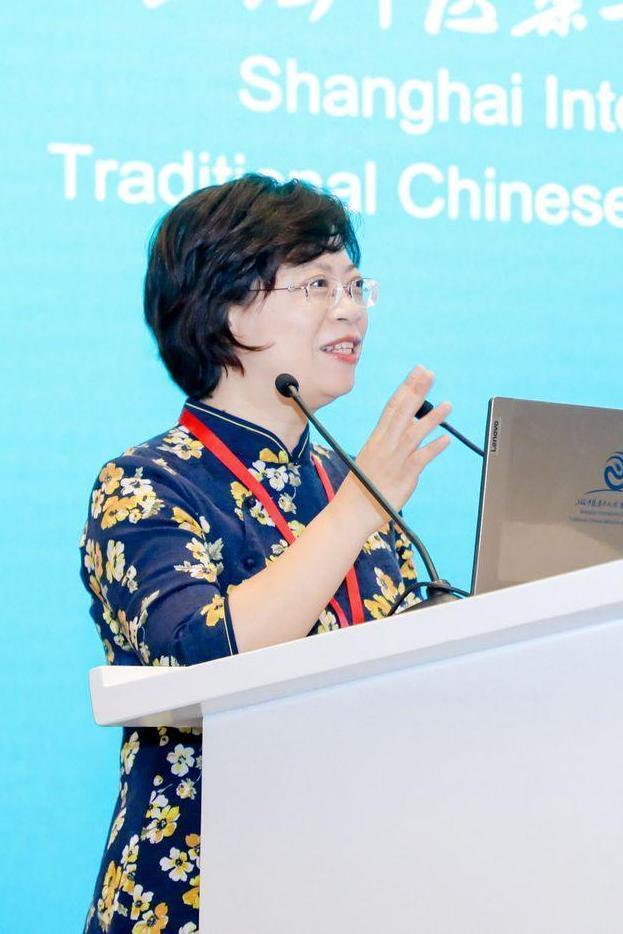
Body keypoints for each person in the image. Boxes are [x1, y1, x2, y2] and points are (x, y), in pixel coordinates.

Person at [79, 173, 451, 933]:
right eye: (317, 284)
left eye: (354, 285)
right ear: (225, 306)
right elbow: (199, 656)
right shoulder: (145, 484)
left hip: (359, 879)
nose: (350, 308)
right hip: (203, 888)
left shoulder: (349, 484)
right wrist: (360, 507)